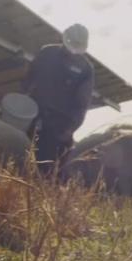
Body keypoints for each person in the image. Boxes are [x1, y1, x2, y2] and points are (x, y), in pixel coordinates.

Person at [22, 23, 95, 173]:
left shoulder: (85, 69)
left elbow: (82, 104)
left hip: (58, 127)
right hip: (33, 115)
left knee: (46, 168)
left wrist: (70, 129)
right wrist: (23, 102)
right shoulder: (47, 52)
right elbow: (29, 79)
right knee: (20, 155)